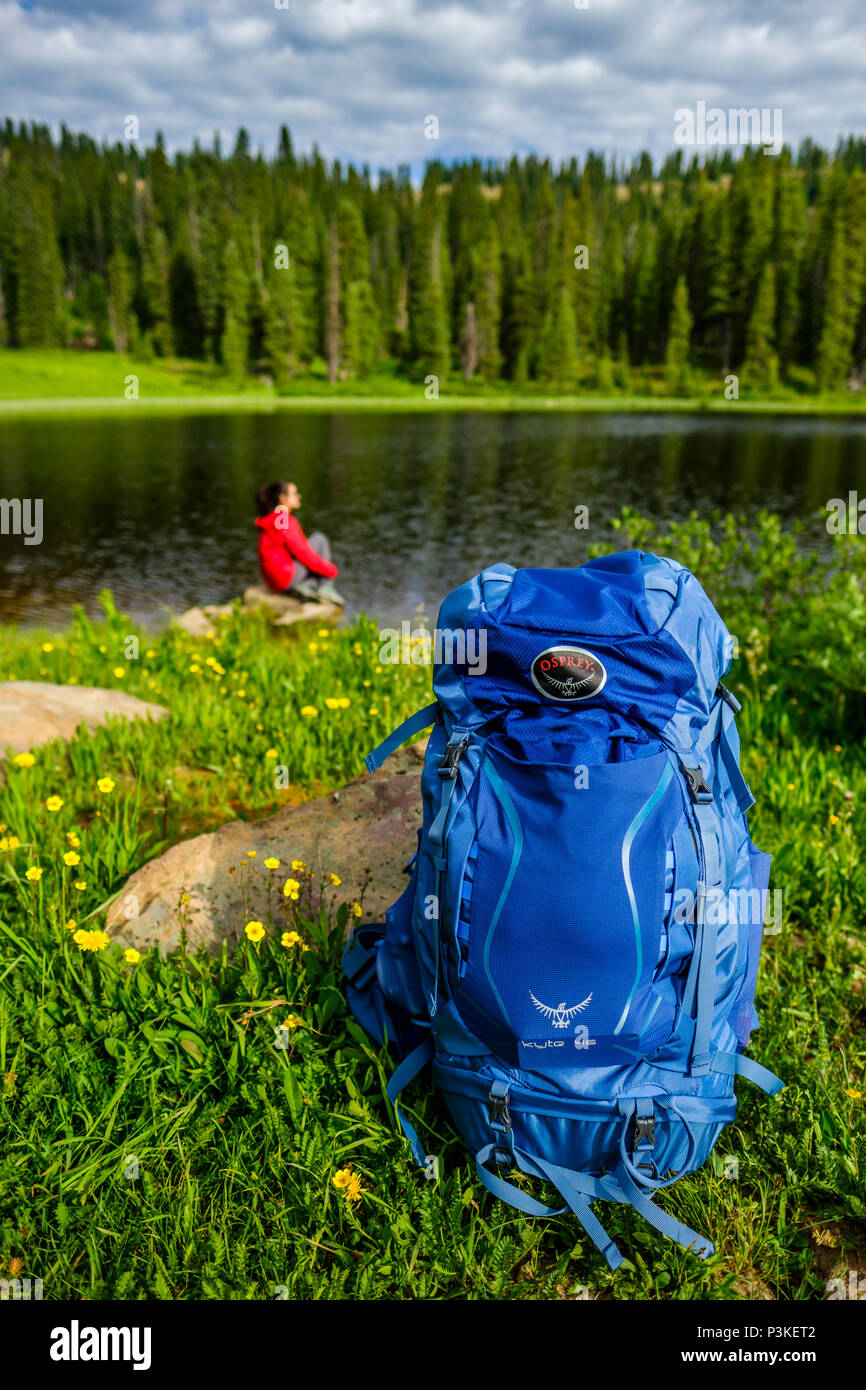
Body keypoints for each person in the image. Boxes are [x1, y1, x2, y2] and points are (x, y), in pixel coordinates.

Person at [254, 481, 345, 605]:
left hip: (272, 581)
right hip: (284, 577)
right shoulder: (284, 520)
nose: (298, 496)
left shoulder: (273, 519)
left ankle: (306, 588)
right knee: (319, 539)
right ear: (283, 498)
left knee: (314, 574)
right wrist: (330, 572)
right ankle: (326, 587)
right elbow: (303, 554)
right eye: (294, 494)